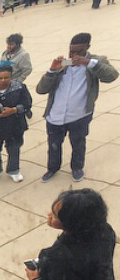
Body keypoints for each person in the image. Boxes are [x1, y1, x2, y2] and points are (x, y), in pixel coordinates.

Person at [26, 189, 116, 280]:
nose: (49, 215)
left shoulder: (58, 257)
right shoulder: (106, 231)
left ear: (71, 223)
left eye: (55, 215)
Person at [36, 32, 118, 183]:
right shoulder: (64, 64)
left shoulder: (95, 61)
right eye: (71, 51)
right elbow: (41, 89)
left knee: (78, 143)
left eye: (78, 52)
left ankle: (77, 167)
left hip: (79, 115)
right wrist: (52, 71)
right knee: (53, 145)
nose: (74, 55)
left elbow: (112, 75)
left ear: (88, 48)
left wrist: (88, 62)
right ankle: (52, 168)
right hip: (55, 115)